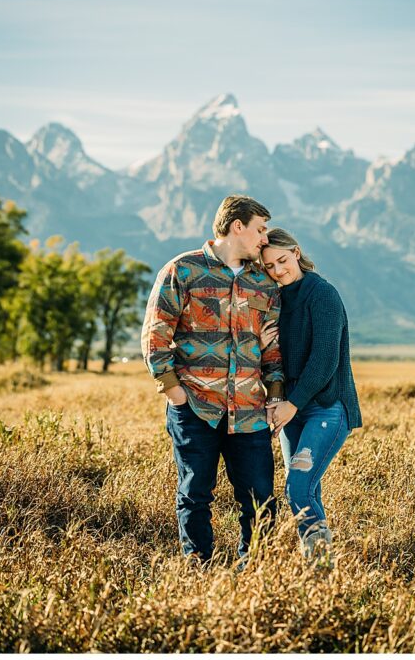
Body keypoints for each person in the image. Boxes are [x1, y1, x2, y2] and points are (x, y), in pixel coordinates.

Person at [141, 194, 287, 564]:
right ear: (237, 227)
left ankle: (252, 573)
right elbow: (155, 334)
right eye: (260, 230)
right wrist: (173, 391)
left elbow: (272, 349)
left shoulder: (263, 284)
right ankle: (199, 569)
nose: (264, 240)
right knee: (195, 495)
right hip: (196, 408)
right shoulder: (182, 270)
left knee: (260, 498)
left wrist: (274, 395)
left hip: (251, 412)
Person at [259, 228, 362, 559]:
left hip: (327, 408)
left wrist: (292, 404)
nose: (277, 270)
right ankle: (320, 566)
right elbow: (276, 358)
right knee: (308, 489)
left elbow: (325, 360)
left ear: (297, 252)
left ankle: (320, 563)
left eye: (282, 260)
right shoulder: (275, 301)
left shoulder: (323, 295)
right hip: (292, 410)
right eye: (269, 266)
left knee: (297, 487)